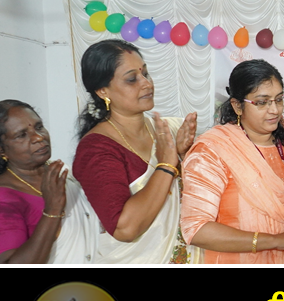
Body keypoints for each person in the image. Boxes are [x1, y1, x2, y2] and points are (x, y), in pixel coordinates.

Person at [181, 59, 284, 264]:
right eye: (262, 102)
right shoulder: (213, 150)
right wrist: (275, 241)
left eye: (279, 100)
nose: (275, 110)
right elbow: (197, 229)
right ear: (237, 106)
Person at [73, 39, 198, 264]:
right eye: (132, 79)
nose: (147, 83)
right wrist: (166, 166)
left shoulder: (167, 130)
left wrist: (182, 155)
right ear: (103, 91)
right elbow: (125, 228)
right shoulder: (96, 149)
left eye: (145, 74)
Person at [0, 100, 97, 264]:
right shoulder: (5, 199)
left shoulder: (63, 172)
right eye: (22, 135)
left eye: (39, 127)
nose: (39, 137)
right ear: (2, 150)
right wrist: (52, 210)